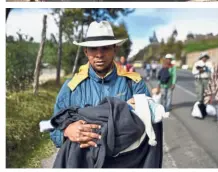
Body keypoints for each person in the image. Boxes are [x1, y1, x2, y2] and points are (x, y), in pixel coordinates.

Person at [49, 21, 162, 167]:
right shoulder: (71, 87)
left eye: (105, 48)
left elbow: (149, 123)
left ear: (115, 49)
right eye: (93, 49)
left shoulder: (134, 83)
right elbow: (52, 125)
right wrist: (66, 131)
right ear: (86, 51)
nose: (99, 54)